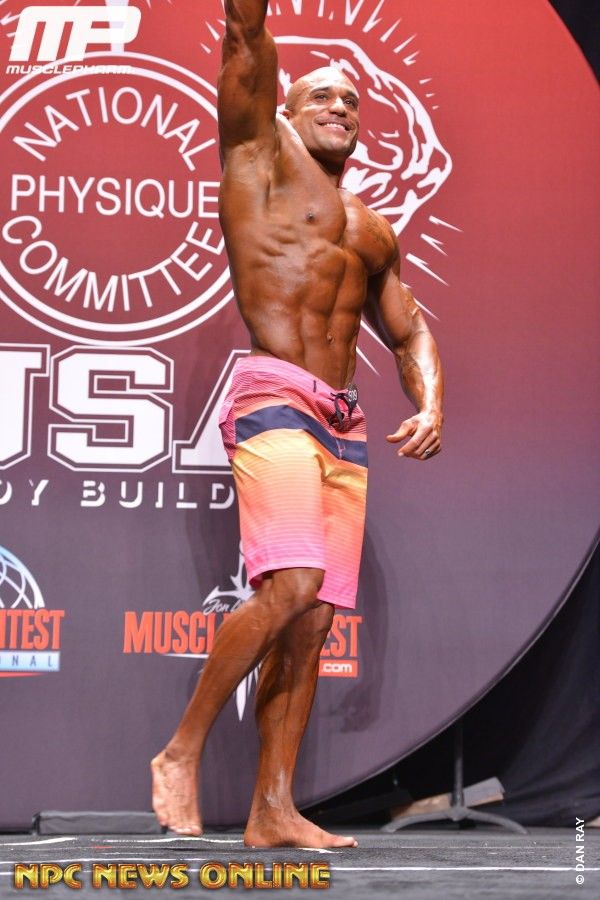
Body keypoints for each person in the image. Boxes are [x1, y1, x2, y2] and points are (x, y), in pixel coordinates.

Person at [151, 0, 444, 849]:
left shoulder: (373, 229)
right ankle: (181, 751)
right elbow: (245, 36)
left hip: (343, 423)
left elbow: (409, 330)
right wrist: (252, 32)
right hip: (275, 393)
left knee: (312, 622)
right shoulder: (257, 157)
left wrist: (431, 401)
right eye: (322, 95)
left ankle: (272, 808)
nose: (340, 107)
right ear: (283, 105)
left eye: (352, 101)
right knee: (291, 585)